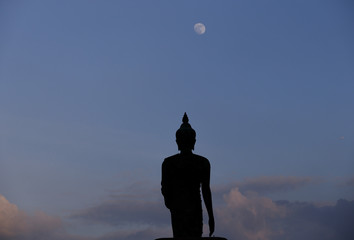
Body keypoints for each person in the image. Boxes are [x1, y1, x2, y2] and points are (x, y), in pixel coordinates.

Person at [161, 113, 215, 237]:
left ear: (177, 142)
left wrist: (172, 204)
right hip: (186, 208)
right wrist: (211, 216)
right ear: (194, 142)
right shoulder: (202, 162)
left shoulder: (169, 163)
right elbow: (206, 190)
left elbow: (165, 189)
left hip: (183, 209)